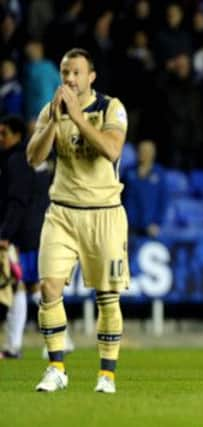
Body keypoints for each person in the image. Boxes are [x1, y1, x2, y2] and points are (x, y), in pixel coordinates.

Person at [27, 48, 129, 393]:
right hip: (62, 212)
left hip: (104, 213)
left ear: (91, 77)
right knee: (49, 289)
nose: (69, 79)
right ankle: (56, 368)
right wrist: (56, 120)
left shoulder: (111, 108)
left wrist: (78, 118)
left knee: (107, 297)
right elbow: (33, 157)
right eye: (65, 73)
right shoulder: (51, 111)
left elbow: (112, 150)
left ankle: (106, 375)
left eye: (75, 73)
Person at [0, 115, 53, 359]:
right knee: (28, 286)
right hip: (32, 230)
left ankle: (14, 345)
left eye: (4, 134)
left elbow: (17, 201)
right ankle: (61, 338)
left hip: (21, 234)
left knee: (18, 285)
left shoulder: (17, 160)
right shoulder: (32, 159)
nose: (1, 138)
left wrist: (6, 233)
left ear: (17, 135)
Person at [123, 139, 168, 238]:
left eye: (147, 151)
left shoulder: (159, 173)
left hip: (150, 228)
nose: (143, 153)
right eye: (141, 150)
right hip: (128, 226)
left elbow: (163, 201)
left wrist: (157, 223)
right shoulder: (128, 172)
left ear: (153, 153)